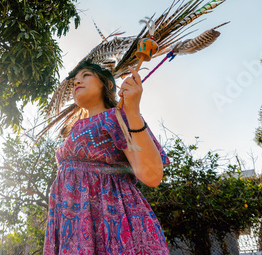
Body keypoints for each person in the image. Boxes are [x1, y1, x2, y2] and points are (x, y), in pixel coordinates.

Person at [43, 60, 170, 254]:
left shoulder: (117, 116)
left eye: (86, 75)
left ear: (108, 84)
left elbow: (151, 176)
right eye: (75, 80)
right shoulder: (74, 128)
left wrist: (133, 112)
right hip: (71, 224)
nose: (77, 82)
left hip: (113, 220)